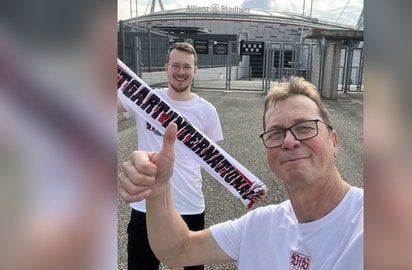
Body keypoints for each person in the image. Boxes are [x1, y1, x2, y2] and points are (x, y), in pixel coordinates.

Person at [118, 77, 364, 269]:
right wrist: (158, 190)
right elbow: (177, 249)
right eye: (276, 133)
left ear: (333, 141)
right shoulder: (259, 226)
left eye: (305, 127)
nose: (289, 141)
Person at [118, 42, 224, 270]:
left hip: (190, 205)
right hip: (145, 205)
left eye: (187, 67)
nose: (181, 72)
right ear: (166, 67)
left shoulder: (206, 111)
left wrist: (245, 188)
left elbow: (216, 162)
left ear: (195, 70)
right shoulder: (145, 99)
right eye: (175, 65)